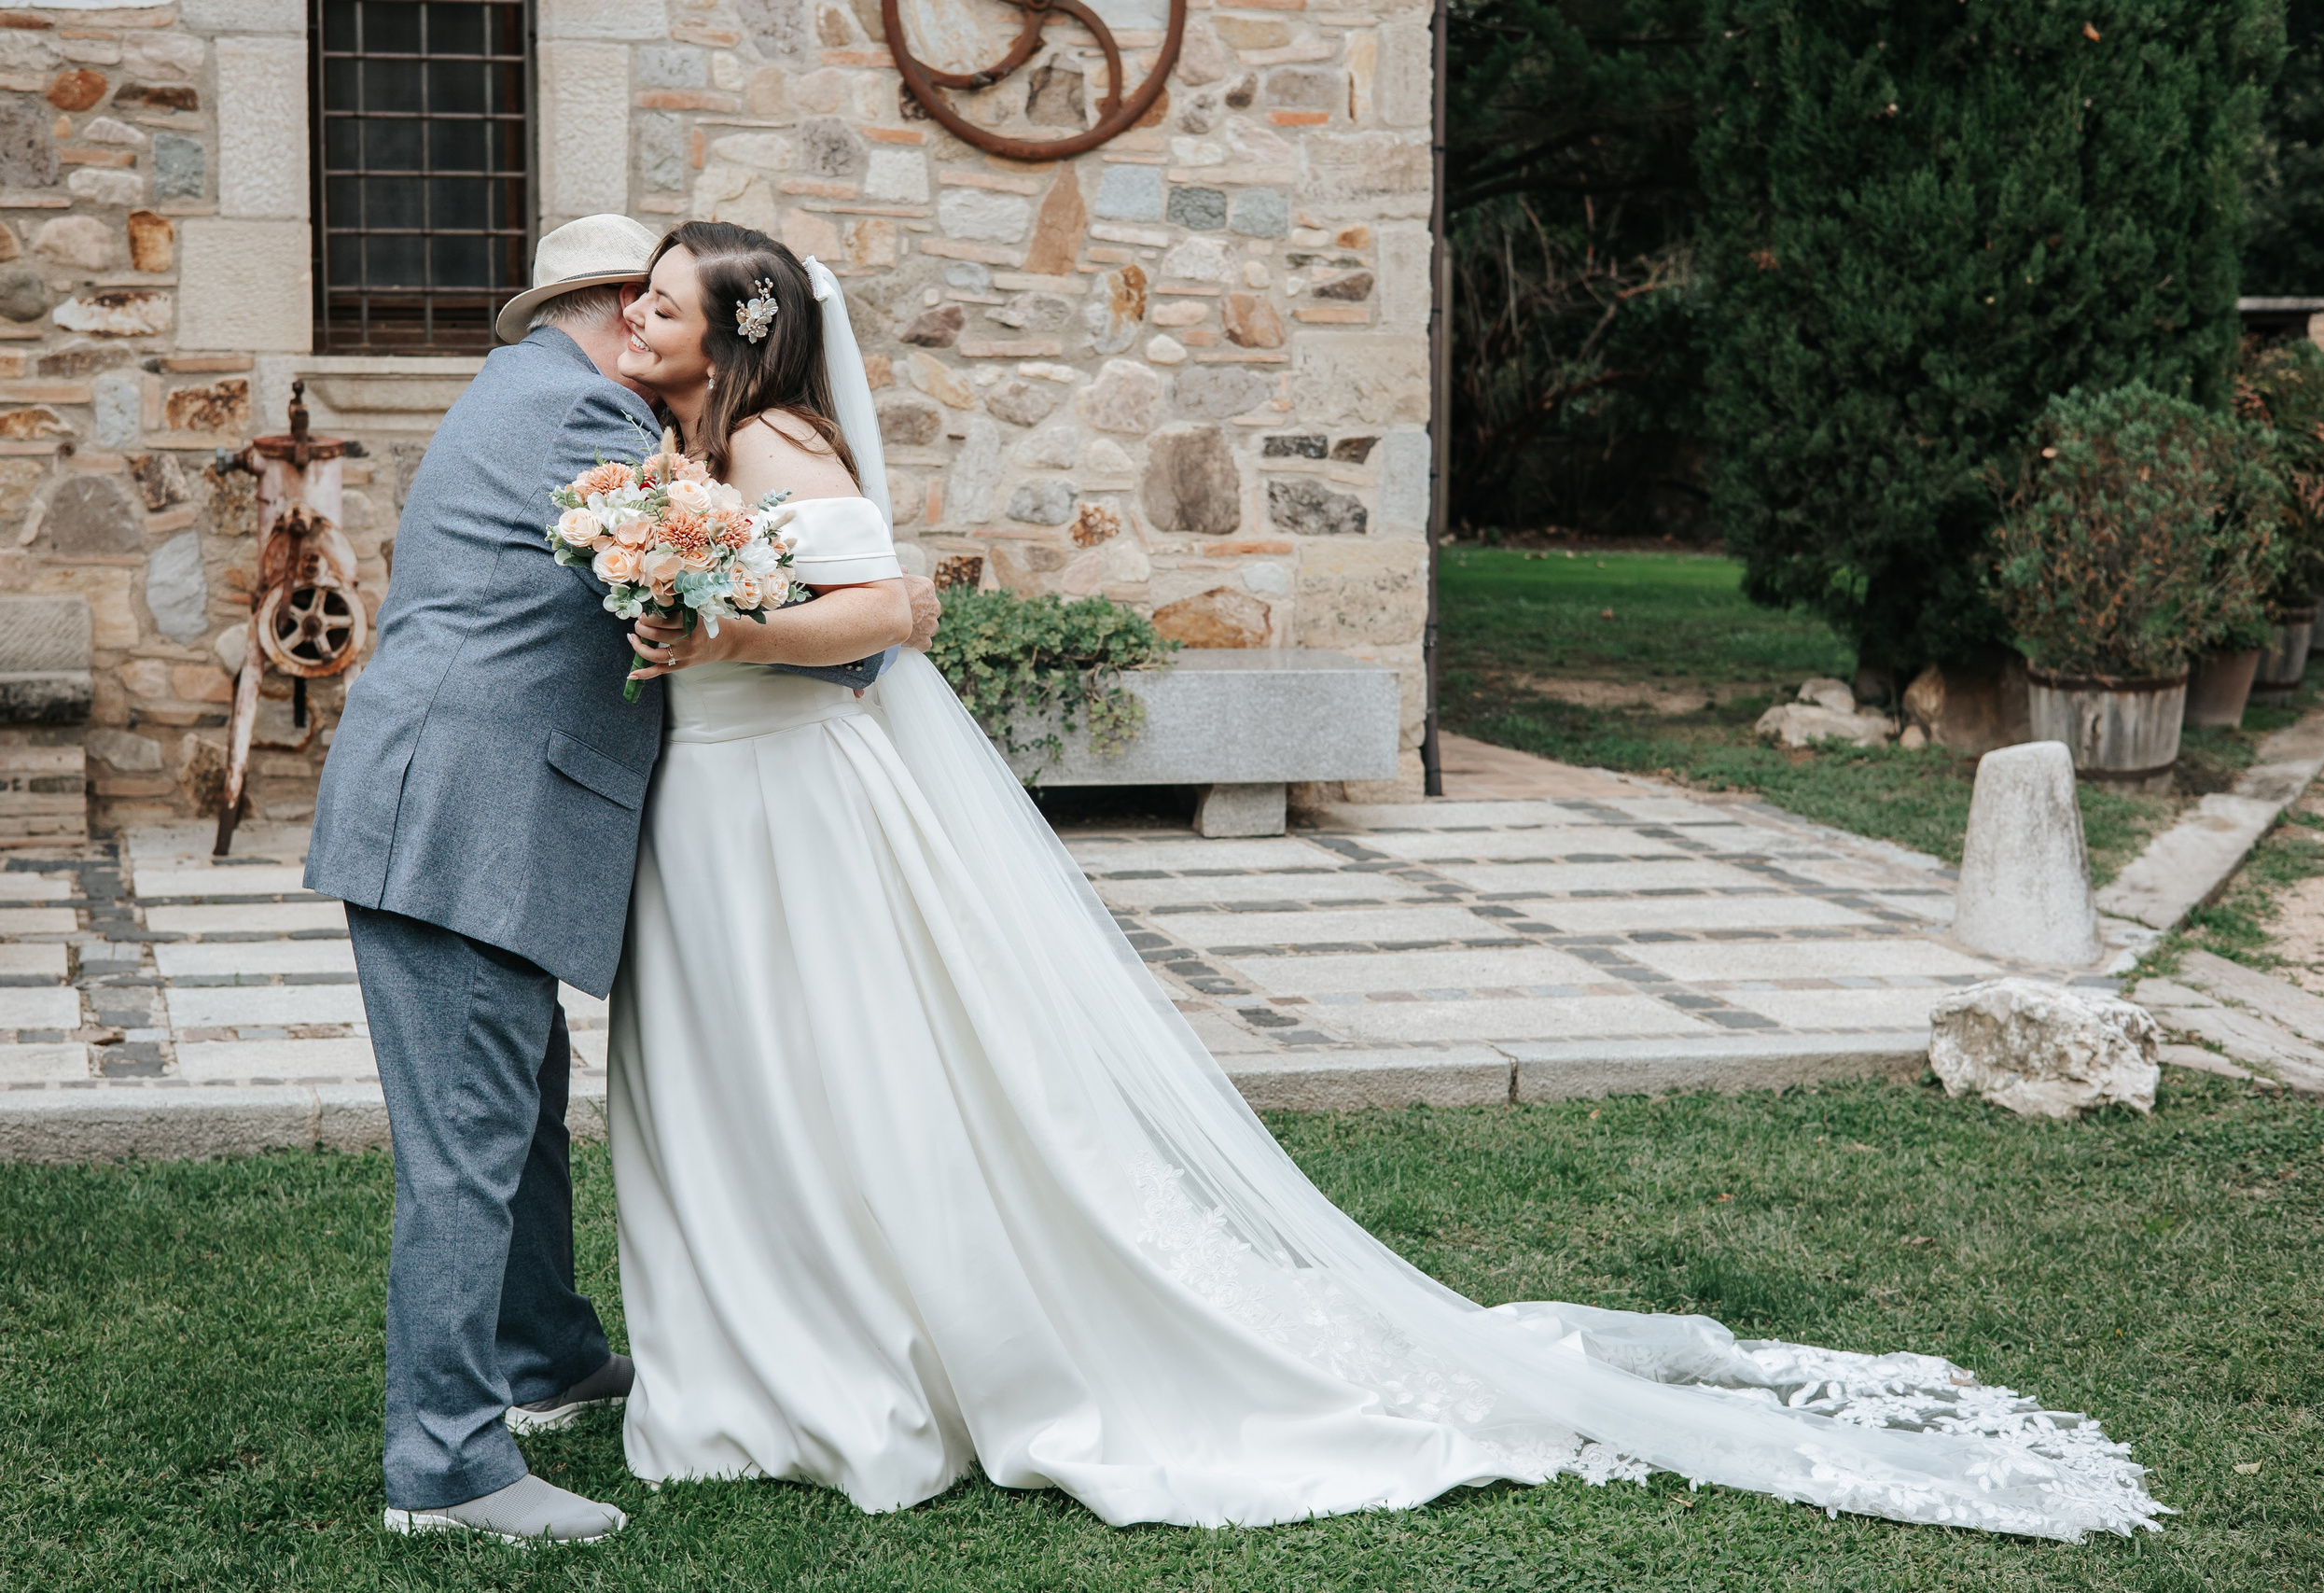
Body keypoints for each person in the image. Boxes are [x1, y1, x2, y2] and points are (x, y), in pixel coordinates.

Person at [606, 220, 2170, 1543]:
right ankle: (781, 1349)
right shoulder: (686, 449)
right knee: (769, 1076)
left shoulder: (771, 442)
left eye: (662, 303)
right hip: (726, 796)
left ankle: (870, 1360)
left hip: (787, 803)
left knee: (847, 1071)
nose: (635, 318)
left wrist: (731, 634)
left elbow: (890, 615)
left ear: (740, 337)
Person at [305, 213, 940, 1544]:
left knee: (515, 1112)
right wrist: (884, 618)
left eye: (673, 306)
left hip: (450, 809)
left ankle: (545, 1361)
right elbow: (785, 626)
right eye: (642, 305)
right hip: (465, 821)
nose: (650, 330)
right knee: (467, 1151)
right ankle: (446, 1470)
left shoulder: (524, 386)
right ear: (609, 306)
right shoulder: (590, 432)